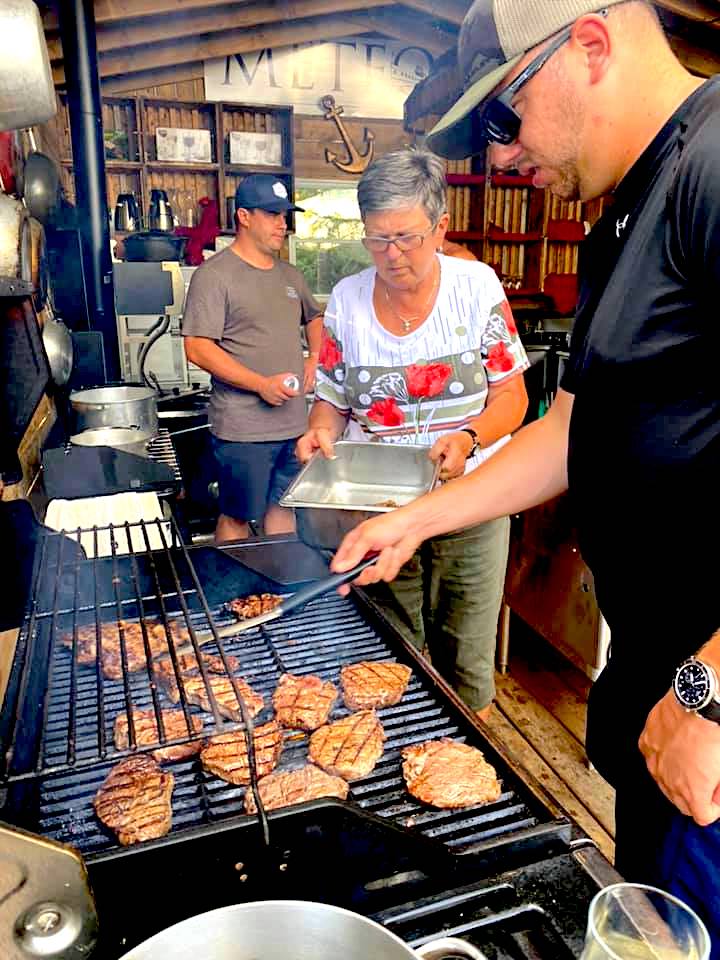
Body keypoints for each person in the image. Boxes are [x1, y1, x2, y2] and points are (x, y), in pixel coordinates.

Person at [330, 0, 720, 942]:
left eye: (503, 115)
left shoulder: (714, 166)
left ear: (590, 43)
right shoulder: (621, 216)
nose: (498, 157)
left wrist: (710, 689)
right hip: (656, 691)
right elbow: (570, 428)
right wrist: (420, 518)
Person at [297, 148, 529, 719]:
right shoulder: (348, 301)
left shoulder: (475, 287)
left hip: (470, 501)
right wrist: (319, 434)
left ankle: (465, 772)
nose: (391, 255)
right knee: (387, 651)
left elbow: (513, 398)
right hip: (379, 506)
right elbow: (330, 399)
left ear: (441, 226)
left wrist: (470, 437)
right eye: (376, 240)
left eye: (406, 238)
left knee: (464, 659)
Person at [182, 174, 323, 543]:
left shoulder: (290, 275)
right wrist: (260, 385)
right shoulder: (214, 276)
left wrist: (315, 357)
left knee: (283, 507)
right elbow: (197, 346)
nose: (283, 224)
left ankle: (280, 591)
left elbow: (316, 317)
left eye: (285, 215)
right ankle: (233, 592)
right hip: (243, 430)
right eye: (273, 214)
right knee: (238, 517)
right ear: (244, 216)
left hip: (294, 425)